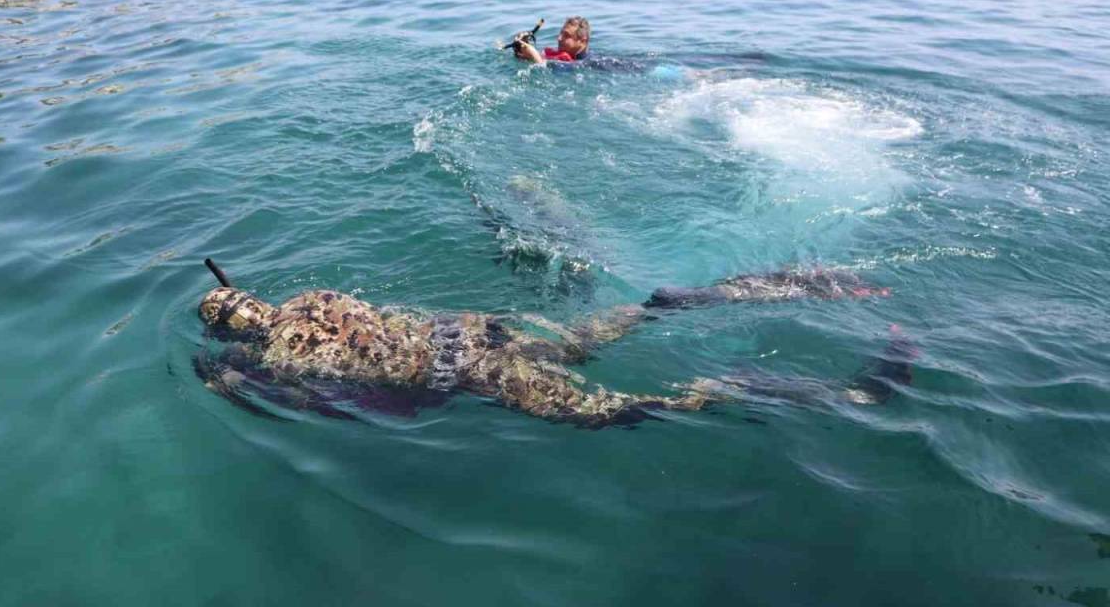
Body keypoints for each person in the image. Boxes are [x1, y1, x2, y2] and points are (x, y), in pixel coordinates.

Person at [194, 261, 909, 428]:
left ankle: (785, 388)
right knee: (610, 327)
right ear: (253, 295)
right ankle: (680, 302)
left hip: (467, 369)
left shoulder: (272, 361)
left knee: (628, 408)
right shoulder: (319, 294)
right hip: (483, 331)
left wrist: (220, 377)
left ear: (228, 326)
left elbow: (326, 408)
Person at [514, 16, 589, 65]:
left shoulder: (590, 64)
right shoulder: (559, 56)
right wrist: (521, 48)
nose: (559, 39)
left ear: (583, 41)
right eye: (560, 34)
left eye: (566, 35)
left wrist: (535, 57)